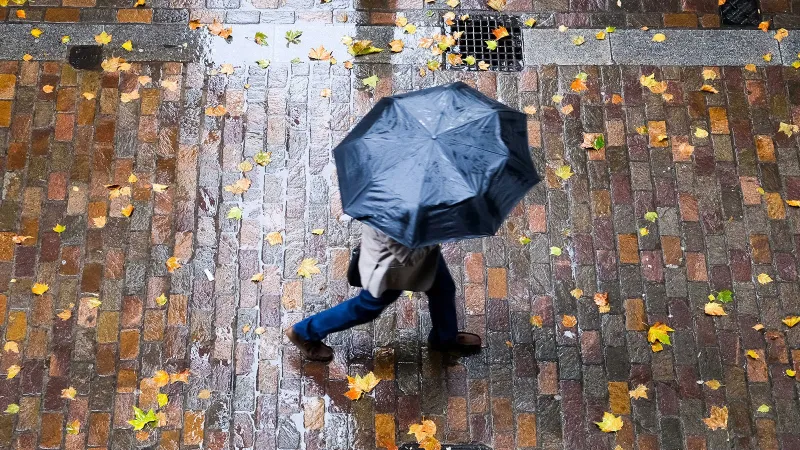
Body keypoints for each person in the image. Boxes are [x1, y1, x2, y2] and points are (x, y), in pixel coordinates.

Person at [286, 225, 482, 362]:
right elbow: (406, 252)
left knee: (442, 288)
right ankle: (303, 332)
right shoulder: (396, 204)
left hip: (415, 252)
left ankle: (444, 338)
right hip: (390, 264)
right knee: (366, 308)